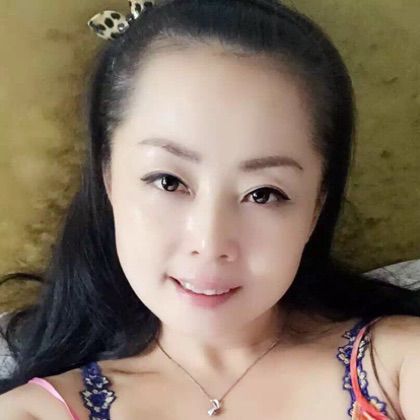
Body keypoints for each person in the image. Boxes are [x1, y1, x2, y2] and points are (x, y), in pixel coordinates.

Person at [0, 0, 419, 418]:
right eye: (169, 182)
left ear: (315, 207)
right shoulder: (36, 413)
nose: (210, 242)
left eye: (263, 193)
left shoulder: (398, 369)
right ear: (109, 179)